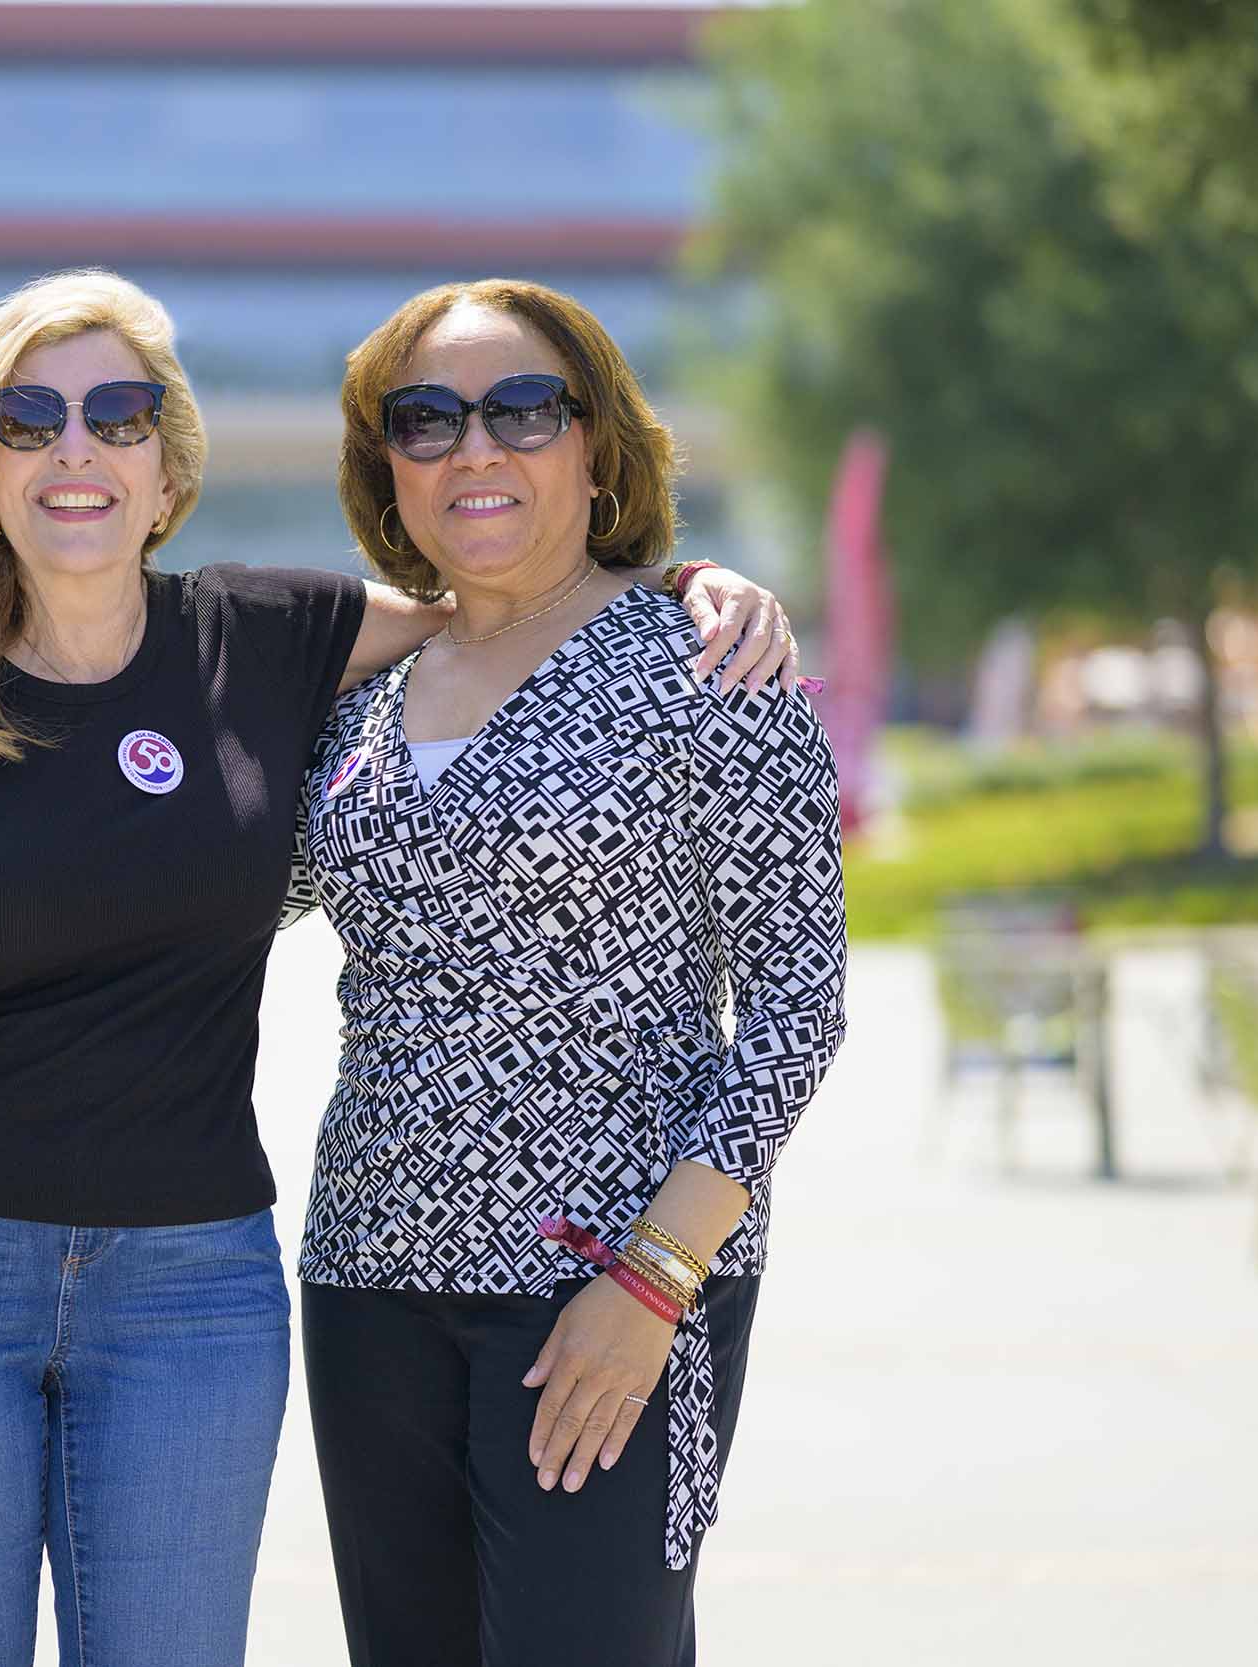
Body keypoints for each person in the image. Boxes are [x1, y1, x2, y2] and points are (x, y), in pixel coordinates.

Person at [0, 269, 800, 1667]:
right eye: (30, 417)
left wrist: (682, 580)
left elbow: (513, 597)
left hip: (201, 1293)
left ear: (170, 465)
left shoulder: (277, 641)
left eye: (120, 414)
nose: (78, 450)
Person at [291, 279, 849, 1667]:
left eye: (523, 409)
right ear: (388, 471)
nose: (475, 449)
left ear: (595, 449)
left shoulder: (709, 666)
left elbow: (797, 1008)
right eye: (425, 422)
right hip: (368, 1277)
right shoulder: (357, 696)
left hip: (606, 1282)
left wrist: (657, 1281)